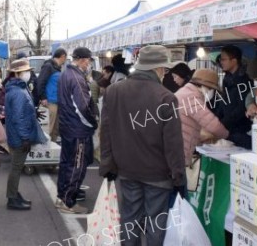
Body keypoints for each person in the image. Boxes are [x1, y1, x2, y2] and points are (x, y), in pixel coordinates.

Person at [100, 45, 185, 246]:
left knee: (130, 220)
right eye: (164, 69)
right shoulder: (166, 97)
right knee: (156, 224)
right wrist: (178, 175)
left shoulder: (113, 91)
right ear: (158, 69)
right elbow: (173, 142)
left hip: (126, 170)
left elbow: (106, 131)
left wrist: (107, 164)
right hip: (158, 173)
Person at [173, 69, 228, 204]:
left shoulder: (184, 93)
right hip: (176, 155)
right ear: (205, 87)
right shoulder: (191, 97)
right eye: (212, 89)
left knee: (177, 197)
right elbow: (212, 124)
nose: (212, 93)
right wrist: (228, 135)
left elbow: (188, 126)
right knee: (178, 199)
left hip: (174, 152)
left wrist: (199, 139)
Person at [56, 47, 98, 214]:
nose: (89, 64)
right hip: (77, 129)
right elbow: (83, 106)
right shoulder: (76, 77)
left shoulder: (65, 73)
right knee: (76, 165)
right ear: (83, 60)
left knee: (66, 163)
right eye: (88, 60)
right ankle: (68, 201)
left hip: (67, 126)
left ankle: (62, 197)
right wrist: (93, 122)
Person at [4, 59, 45, 210]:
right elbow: (19, 117)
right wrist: (25, 138)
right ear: (17, 73)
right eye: (26, 71)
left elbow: (20, 112)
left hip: (16, 134)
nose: (29, 73)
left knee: (16, 167)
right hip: (19, 136)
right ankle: (12, 197)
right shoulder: (18, 91)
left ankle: (14, 194)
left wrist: (33, 112)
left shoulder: (17, 88)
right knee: (16, 167)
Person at [214, 45, 253, 149]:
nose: (221, 62)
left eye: (224, 59)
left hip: (240, 131)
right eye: (220, 59)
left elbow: (241, 108)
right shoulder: (226, 79)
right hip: (227, 129)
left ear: (234, 60)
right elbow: (222, 103)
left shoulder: (245, 80)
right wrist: (216, 121)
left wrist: (223, 124)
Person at [37, 48, 67, 143]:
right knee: (48, 128)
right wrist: (43, 97)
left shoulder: (57, 68)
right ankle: (45, 149)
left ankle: (52, 148)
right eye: (65, 58)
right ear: (62, 57)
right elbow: (40, 82)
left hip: (57, 102)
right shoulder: (48, 66)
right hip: (49, 102)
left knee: (55, 129)